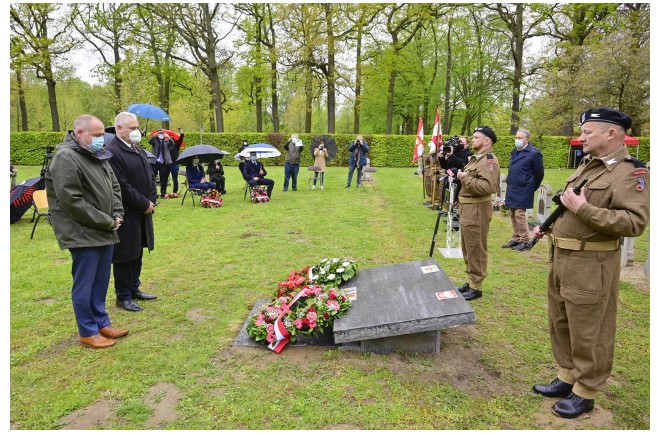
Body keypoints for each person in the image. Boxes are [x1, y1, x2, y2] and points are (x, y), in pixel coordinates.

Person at [531, 108, 649, 419]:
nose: (582, 136)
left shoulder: (629, 172)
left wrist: (584, 209)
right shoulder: (588, 165)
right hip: (563, 256)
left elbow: (634, 222)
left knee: (589, 328)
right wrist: (546, 227)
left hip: (591, 262)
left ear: (611, 134)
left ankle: (585, 391)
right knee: (561, 320)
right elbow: (567, 206)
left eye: (588, 131)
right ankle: (567, 375)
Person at [45, 114, 129, 348]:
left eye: (103, 134)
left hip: (105, 229)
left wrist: (118, 215)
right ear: (80, 133)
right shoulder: (66, 157)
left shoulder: (98, 154)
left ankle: (102, 322)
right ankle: (87, 331)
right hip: (83, 234)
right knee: (85, 284)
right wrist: (106, 221)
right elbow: (72, 200)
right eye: (98, 135)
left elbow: (114, 187)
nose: (103, 139)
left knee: (101, 282)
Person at [106, 112, 158, 312]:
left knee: (137, 251)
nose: (137, 131)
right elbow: (122, 185)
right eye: (132, 128)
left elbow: (150, 176)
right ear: (120, 129)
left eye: (137, 127)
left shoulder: (138, 149)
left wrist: (151, 200)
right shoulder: (113, 152)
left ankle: (134, 287)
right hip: (127, 211)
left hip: (144, 210)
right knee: (125, 254)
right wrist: (143, 203)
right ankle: (123, 295)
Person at [455, 126, 500, 301]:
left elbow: (487, 187)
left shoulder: (488, 161)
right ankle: (471, 280)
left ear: (486, 141)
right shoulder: (476, 159)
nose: (472, 140)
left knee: (476, 247)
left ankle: (476, 286)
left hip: (477, 209)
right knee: (468, 246)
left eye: (476, 137)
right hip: (468, 208)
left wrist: (463, 177)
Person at [502, 128, 544, 252]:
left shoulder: (533, 153)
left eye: (520, 138)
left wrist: (531, 186)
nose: (517, 140)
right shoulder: (514, 152)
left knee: (520, 214)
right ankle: (516, 238)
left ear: (527, 139)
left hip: (524, 187)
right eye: (516, 138)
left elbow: (539, 173)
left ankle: (525, 240)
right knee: (513, 214)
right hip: (513, 186)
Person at [148, 129, 175, 199]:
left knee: (164, 179)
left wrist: (168, 137)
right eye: (159, 133)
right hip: (155, 162)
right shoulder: (155, 140)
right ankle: (154, 193)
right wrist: (154, 135)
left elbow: (173, 144)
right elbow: (149, 141)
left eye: (162, 133)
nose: (161, 134)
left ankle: (163, 193)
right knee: (152, 178)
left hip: (164, 162)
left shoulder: (167, 140)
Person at [168, 128, 185, 196]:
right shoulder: (167, 145)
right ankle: (164, 192)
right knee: (165, 178)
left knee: (175, 179)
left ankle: (175, 191)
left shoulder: (177, 144)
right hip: (168, 163)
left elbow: (181, 139)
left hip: (175, 164)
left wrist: (181, 133)